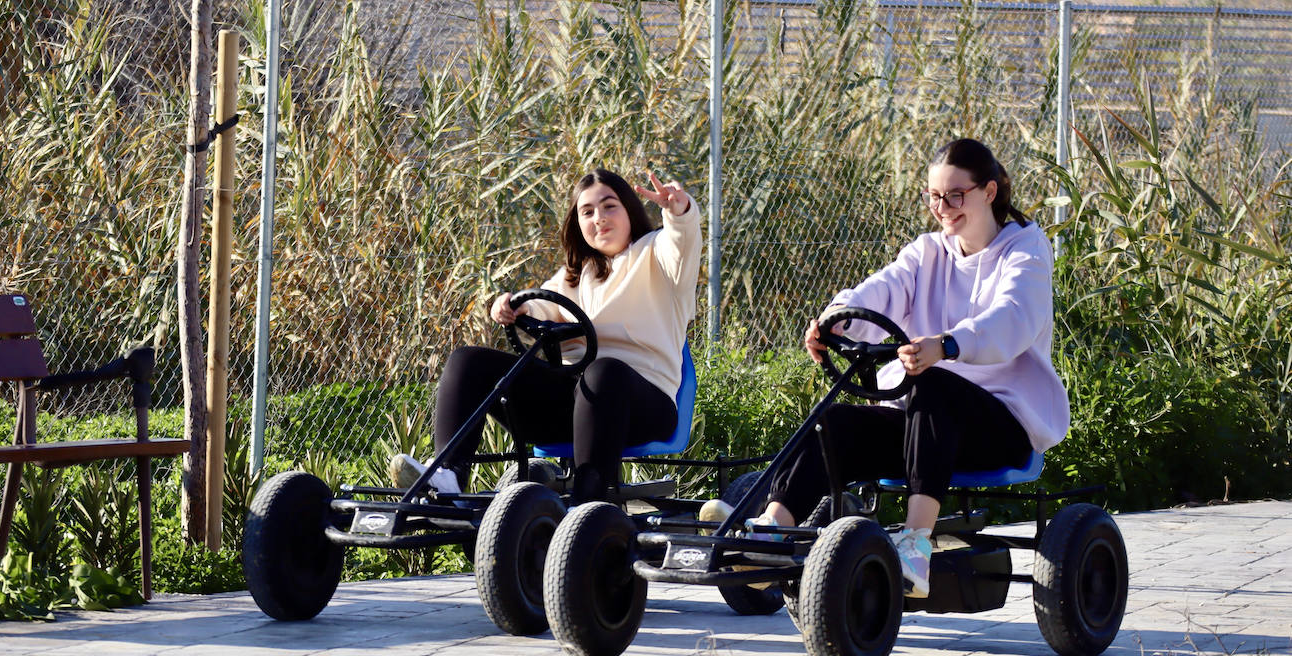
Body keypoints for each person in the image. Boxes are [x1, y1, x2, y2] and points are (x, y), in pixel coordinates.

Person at [704, 138, 1069, 598]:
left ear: (989, 192)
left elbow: (1013, 318)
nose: (943, 208)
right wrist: (834, 321)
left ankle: (915, 546)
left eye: (955, 196)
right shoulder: (928, 253)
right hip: (925, 428)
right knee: (834, 423)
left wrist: (948, 345)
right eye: (934, 197)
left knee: (932, 383)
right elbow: (880, 291)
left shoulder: (1026, 251)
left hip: (1000, 427)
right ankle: (772, 533)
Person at [391, 167, 701, 505]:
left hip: (642, 406)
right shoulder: (575, 275)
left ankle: (589, 500)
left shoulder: (659, 256)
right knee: (468, 361)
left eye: (610, 206)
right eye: (587, 212)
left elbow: (681, 242)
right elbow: (540, 302)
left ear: (629, 209)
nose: (599, 218)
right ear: (578, 223)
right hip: (570, 404)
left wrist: (678, 211)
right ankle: (448, 476)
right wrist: (512, 305)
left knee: (602, 372)